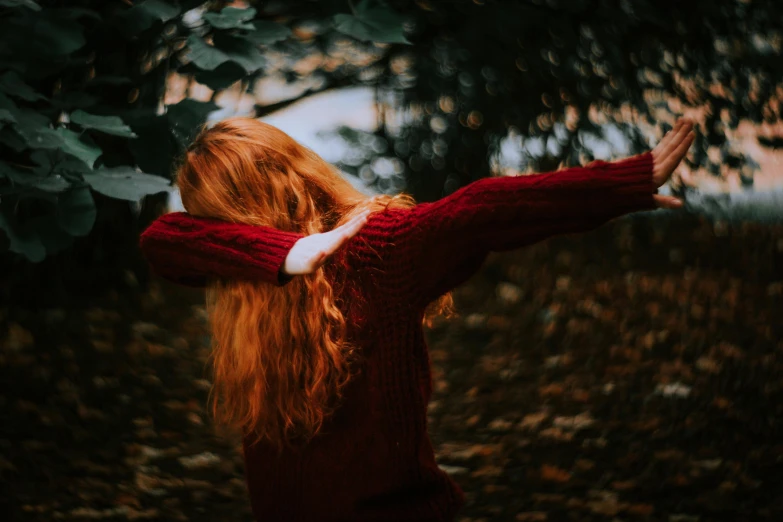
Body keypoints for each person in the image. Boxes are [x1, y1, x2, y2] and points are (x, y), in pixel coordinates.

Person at [140, 117, 695, 521]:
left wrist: (621, 182)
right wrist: (285, 255)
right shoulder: (243, 271)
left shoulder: (377, 245)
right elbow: (160, 240)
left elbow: (481, 209)